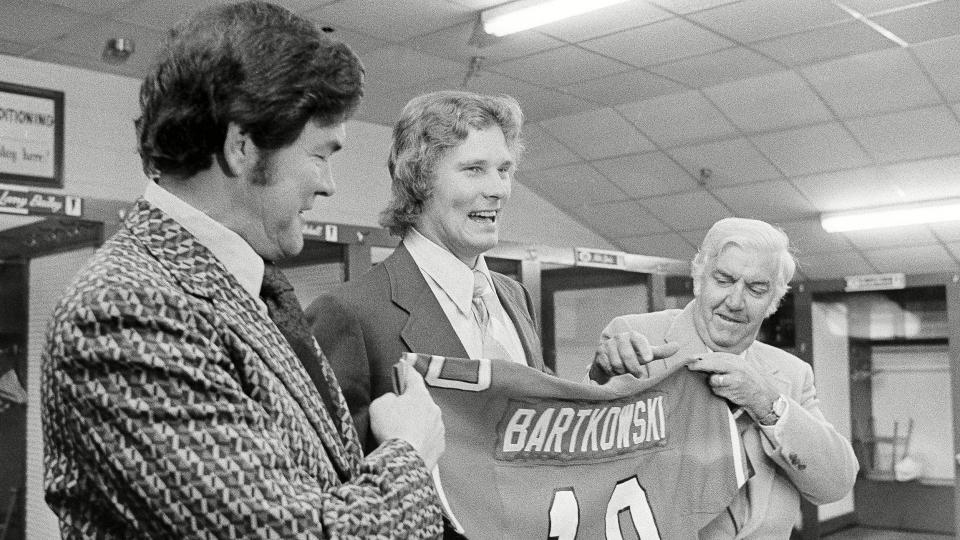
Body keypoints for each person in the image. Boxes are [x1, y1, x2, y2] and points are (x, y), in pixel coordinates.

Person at [42, 2, 444, 538]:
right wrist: (407, 453)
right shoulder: (122, 310)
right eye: (321, 155)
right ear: (241, 146)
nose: (329, 185)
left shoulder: (254, 288)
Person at [306, 90, 548, 452]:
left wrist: (605, 379)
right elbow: (337, 475)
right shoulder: (348, 315)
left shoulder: (514, 296)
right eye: (474, 170)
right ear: (419, 179)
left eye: (504, 170)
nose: (498, 189)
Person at [590, 217, 858, 539]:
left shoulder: (790, 374)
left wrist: (767, 403)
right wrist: (602, 376)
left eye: (756, 289)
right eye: (724, 280)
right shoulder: (636, 339)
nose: (734, 302)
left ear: (772, 302)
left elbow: (836, 483)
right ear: (699, 278)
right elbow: (580, 459)